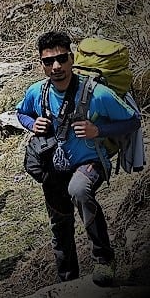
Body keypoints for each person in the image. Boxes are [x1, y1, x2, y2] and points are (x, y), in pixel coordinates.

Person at [16, 31, 141, 286]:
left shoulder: (97, 94)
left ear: (72, 59)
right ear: (41, 64)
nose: (56, 66)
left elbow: (133, 120)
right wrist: (32, 123)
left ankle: (104, 259)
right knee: (59, 225)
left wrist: (99, 131)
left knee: (79, 189)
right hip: (52, 166)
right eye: (48, 61)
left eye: (62, 58)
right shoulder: (36, 92)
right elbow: (21, 112)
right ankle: (67, 280)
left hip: (90, 161)